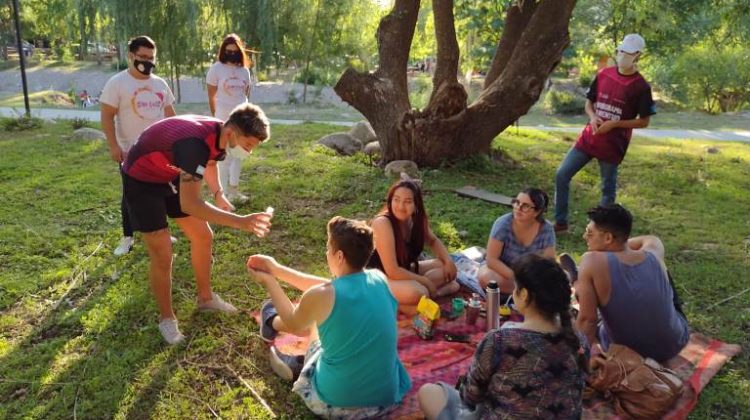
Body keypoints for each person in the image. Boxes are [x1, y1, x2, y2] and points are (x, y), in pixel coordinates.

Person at [121, 103, 273, 344]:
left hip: (168, 174)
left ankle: (205, 299)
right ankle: (166, 319)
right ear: (232, 133)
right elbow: (190, 204)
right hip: (141, 178)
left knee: (203, 236)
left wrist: (218, 193)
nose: (249, 152)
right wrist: (241, 221)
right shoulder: (194, 145)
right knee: (163, 253)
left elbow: (209, 163)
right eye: (249, 145)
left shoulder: (219, 134)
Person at [247, 216, 411, 418]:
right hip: (386, 400)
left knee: (318, 319)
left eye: (328, 248)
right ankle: (272, 323)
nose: (326, 253)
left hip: (337, 402)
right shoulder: (379, 279)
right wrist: (278, 269)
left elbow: (293, 323)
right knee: (330, 318)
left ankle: (284, 344)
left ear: (339, 256)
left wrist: (270, 281)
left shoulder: (323, 296)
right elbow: (331, 286)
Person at [418, 254, 589, 419]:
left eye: (516, 288)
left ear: (524, 295)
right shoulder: (579, 341)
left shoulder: (501, 340)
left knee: (429, 392)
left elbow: (471, 396)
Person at [553, 34, 656, 233]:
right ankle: (560, 223)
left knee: (607, 191)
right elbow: (589, 102)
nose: (623, 56)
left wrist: (615, 125)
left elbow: (644, 121)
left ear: (638, 56)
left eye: (628, 53)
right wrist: (592, 116)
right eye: (621, 51)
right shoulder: (604, 74)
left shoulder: (641, 87)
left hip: (613, 144)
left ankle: (601, 231)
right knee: (562, 174)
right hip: (589, 137)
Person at [573, 204, 689, 362]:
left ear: (608, 238)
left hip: (626, 355)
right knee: (663, 272)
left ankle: (580, 284)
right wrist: (623, 243)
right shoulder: (653, 253)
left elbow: (588, 320)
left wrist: (578, 360)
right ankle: (582, 284)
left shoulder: (591, 260)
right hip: (674, 345)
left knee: (589, 295)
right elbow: (651, 239)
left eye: (589, 233)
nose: (584, 237)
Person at [101, 35, 177, 256]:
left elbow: (171, 116)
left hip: (159, 152)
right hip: (130, 152)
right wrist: (114, 146)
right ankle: (127, 237)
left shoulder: (160, 84)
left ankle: (160, 230)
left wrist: (174, 145)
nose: (147, 61)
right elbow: (106, 116)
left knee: (162, 191)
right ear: (131, 56)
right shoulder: (117, 83)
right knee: (130, 195)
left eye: (151, 57)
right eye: (142, 57)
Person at [368, 179, 459, 313]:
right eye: (396, 199)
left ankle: (420, 300)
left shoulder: (416, 219)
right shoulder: (382, 223)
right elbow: (392, 270)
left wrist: (448, 261)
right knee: (419, 291)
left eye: (408, 201)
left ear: (416, 204)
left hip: (402, 271)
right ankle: (403, 303)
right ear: (390, 200)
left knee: (447, 269)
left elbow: (433, 240)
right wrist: (425, 282)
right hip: (378, 279)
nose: (400, 206)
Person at [477, 188, 556, 293]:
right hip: (504, 272)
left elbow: (548, 262)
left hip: (531, 274)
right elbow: (491, 260)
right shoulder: (503, 224)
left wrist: (535, 278)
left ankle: (525, 292)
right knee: (487, 278)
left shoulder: (546, 228)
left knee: (560, 278)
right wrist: (518, 279)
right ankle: (528, 293)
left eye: (525, 206)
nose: (518, 208)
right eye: (517, 203)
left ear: (537, 212)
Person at [206, 34, 253, 204]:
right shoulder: (216, 69)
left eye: (235, 51)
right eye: (228, 51)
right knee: (224, 157)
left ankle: (234, 191)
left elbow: (245, 94)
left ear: (240, 52)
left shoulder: (244, 71)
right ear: (223, 51)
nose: (231, 54)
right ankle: (222, 195)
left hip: (242, 118)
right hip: (223, 118)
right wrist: (215, 116)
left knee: (239, 154)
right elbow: (211, 95)